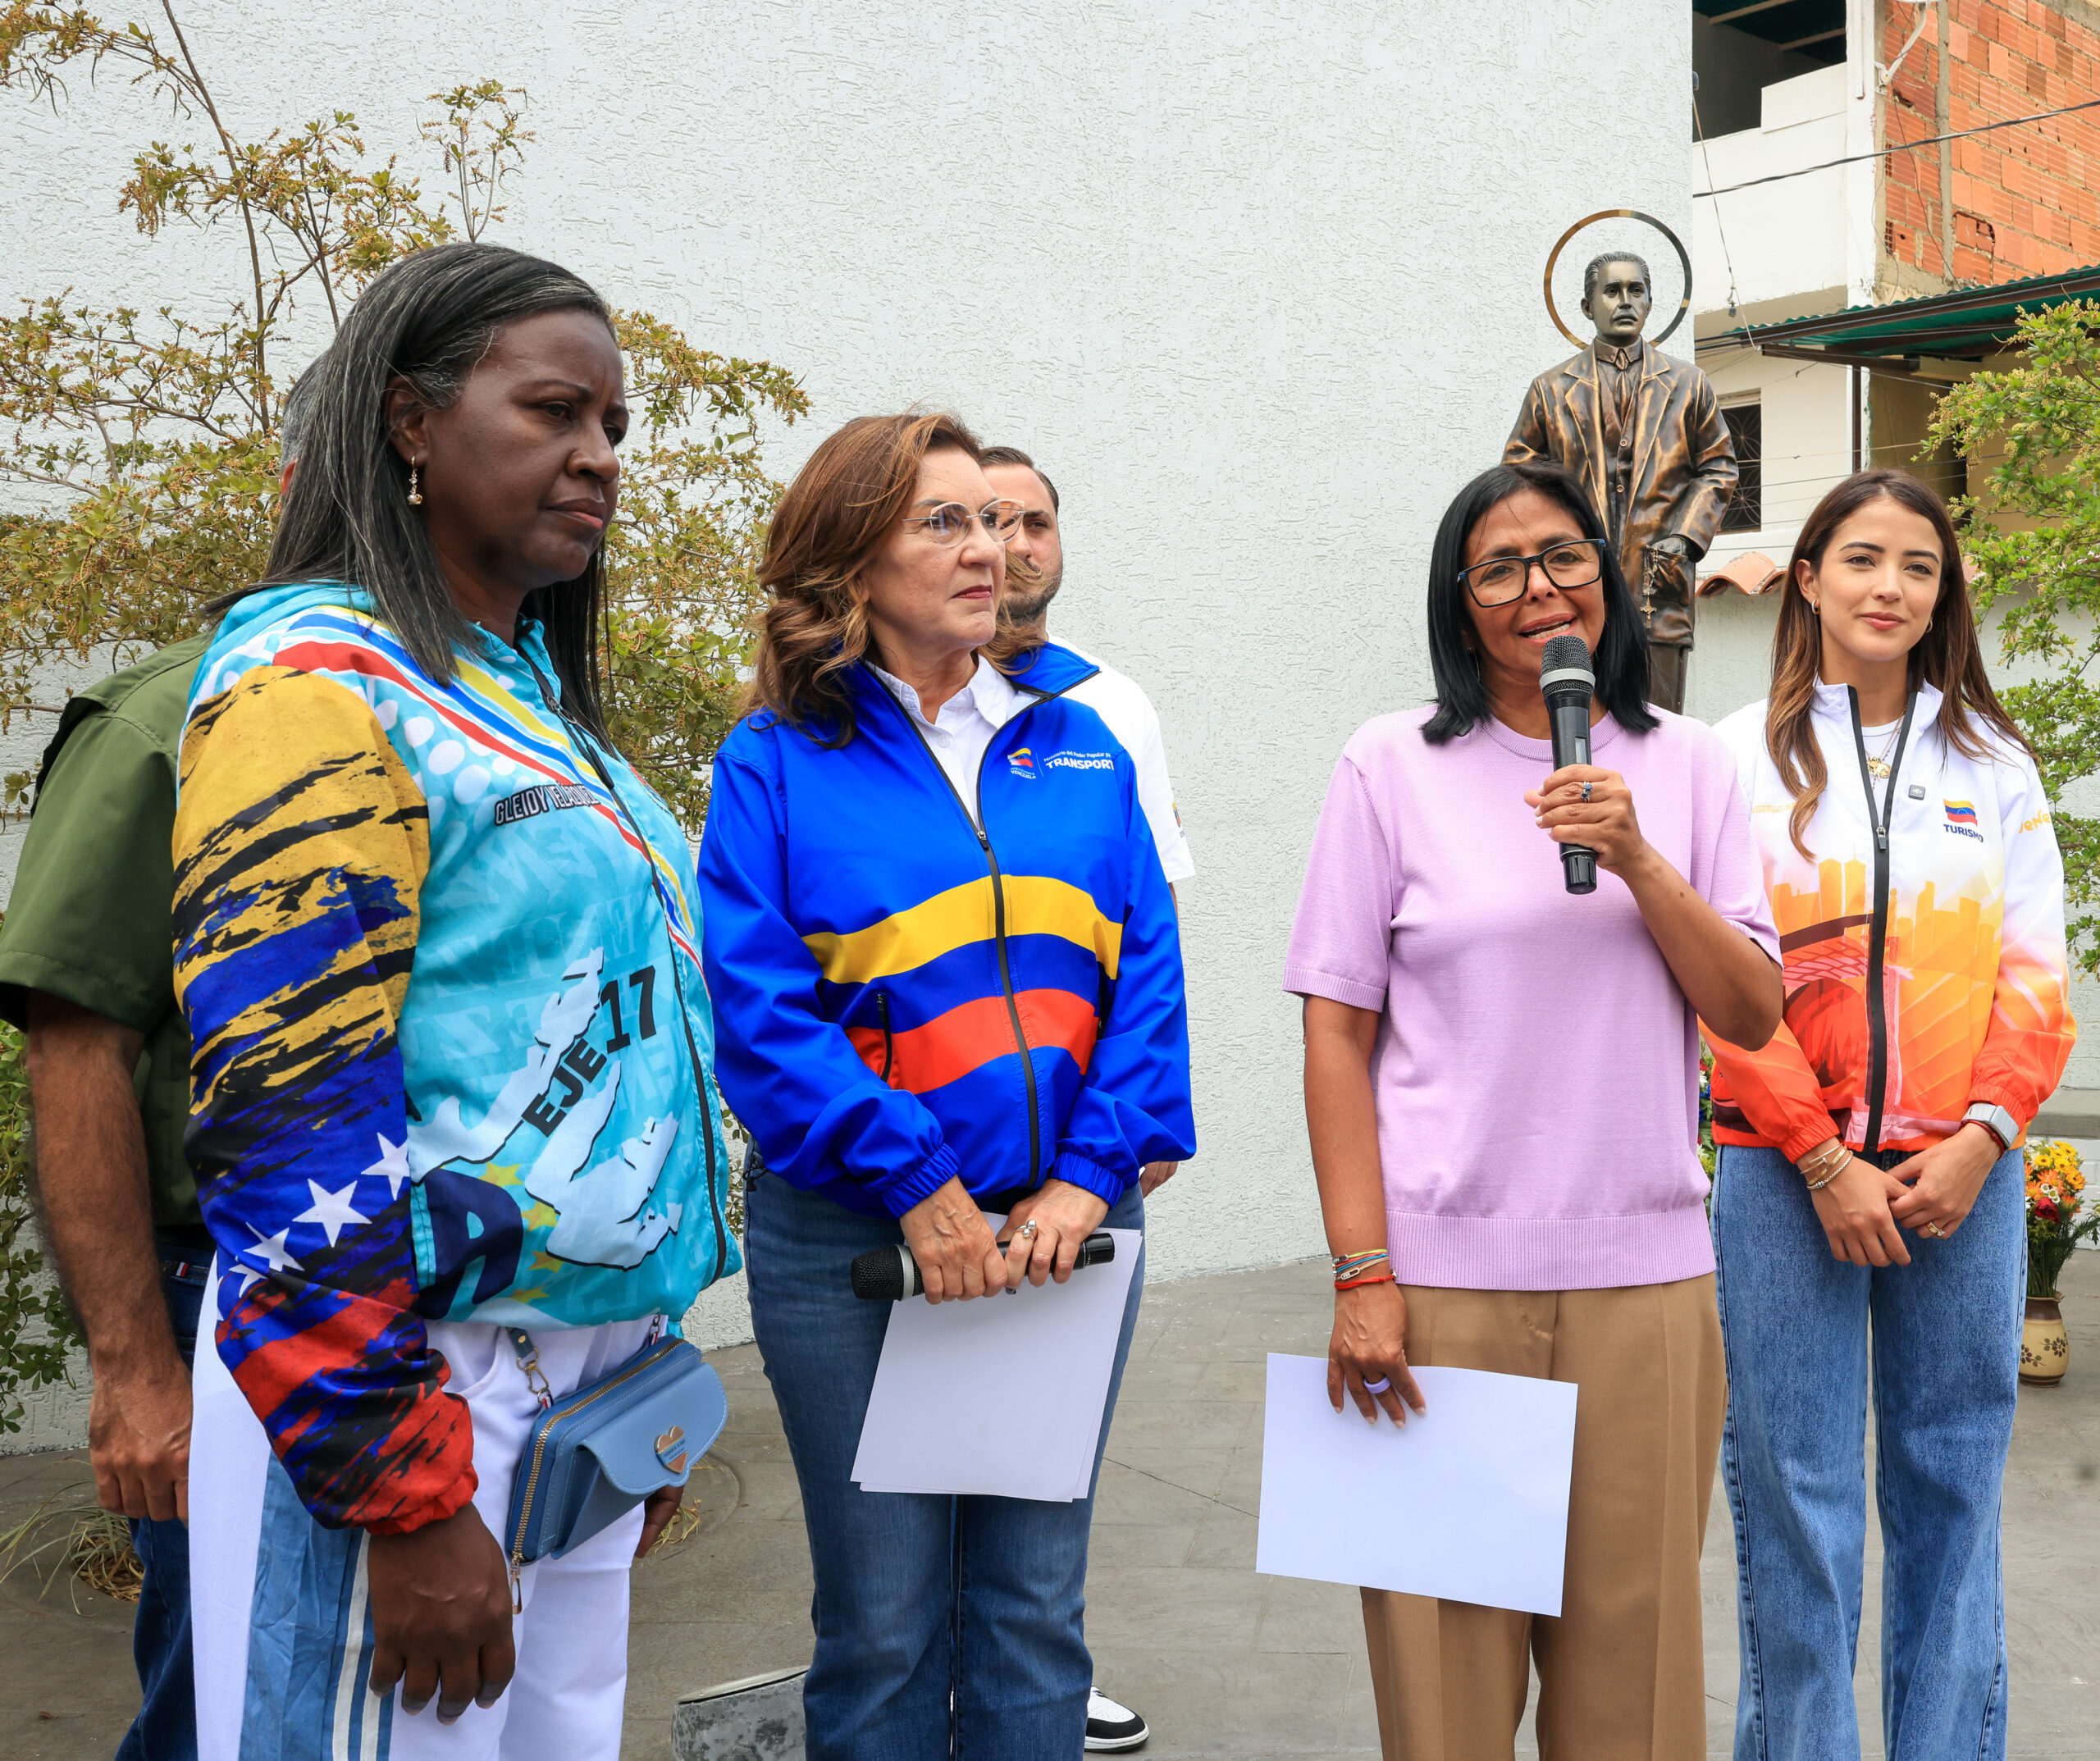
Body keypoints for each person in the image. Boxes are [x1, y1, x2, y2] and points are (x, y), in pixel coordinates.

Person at [174, 242, 737, 1759]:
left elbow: (616, 1048)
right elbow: (285, 1120)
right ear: (412, 423)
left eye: (614, 427)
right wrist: (400, 1487)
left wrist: (648, 1357)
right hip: (413, 1385)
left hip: (574, 1399)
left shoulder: (517, 696)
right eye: (555, 410)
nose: (598, 457)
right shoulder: (314, 686)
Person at [697, 411, 1195, 1760]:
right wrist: (918, 1183)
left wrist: (1091, 1178)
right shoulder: (775, 761)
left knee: (1035, 1611)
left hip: (1061, 1238)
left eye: (998, 520)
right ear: (852, 558)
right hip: (855, 1245)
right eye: (947, 522)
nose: (991, 549)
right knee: (883, 1620)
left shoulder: (1077, 742)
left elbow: (1143, 972)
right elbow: (758, 1007)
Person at [1285, 459, 1782, 1761]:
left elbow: (1750, 1009)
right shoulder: (1388, 763)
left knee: (1638, 1694)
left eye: (1564, 556)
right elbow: (1335, 1029)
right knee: (1444, 1689)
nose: (1538, 589)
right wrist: (1363, 1271)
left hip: (1648, 1281)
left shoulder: (1687, 767)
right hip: (1441, 1288)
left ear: (1607, 581)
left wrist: (1636, 858)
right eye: (1498, 567)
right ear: (1460, 603)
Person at [1703, 468, 2075, 1761]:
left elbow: (2036, 975)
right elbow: (1721, 990)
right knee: (1796, 1500)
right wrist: (1815, 1156)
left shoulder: (1997, 763)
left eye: (1919, 566)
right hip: (1780, 1176)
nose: (1890, 587)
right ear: (1808, 578)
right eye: (1863, 559)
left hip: (1956, 1183)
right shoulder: (1734, 756)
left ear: (1941, 594)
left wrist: (1984, 1135)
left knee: (1953, 1491)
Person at [0, 358, 322, 1761]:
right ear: (314, 483)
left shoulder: (486, 719)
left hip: (453, 1309)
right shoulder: (167, 722)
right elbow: (78, 1051)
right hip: (234, 1296)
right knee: (231, 1700)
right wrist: (135, 1369)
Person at [979, 441, 1185, 1754]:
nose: (1011, 543)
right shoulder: (856, 707)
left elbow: (1149, 920)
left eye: (1035, 520)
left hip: (1081, 1152)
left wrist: (1140, 1114)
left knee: (1044, 1458)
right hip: (932, 1166)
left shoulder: (1110, 705)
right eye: (983, 519)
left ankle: (1045, 1672)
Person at [1504, 252, 1737, 714]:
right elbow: (1518, 473)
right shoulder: (1550, 390)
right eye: (1611, 291)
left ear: (1650, 303)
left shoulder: (1689, 384)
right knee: (1576, 719)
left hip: (1658, 583)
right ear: (1588, 305)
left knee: (1660, 726)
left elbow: (1719, 466)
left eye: (1636, 291)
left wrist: (1685, 538)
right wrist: (1556, 543)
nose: (1625, 301)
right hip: (1575, 581)